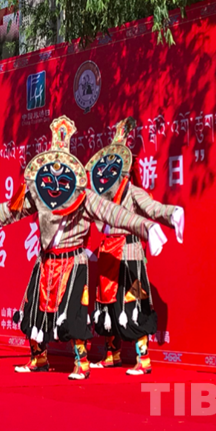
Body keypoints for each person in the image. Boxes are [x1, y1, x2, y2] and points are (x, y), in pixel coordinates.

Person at [0, 116, 168, 380]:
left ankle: (88, 361)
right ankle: (41, 357)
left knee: (119, 305)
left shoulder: (97, 195)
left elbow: (118, 214)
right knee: (36, 310)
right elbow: (8, 211)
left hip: (106, 257)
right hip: (53, 260)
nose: (55, 182)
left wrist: (148, 226)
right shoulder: (40, 194)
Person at [86, 117, 185, 375]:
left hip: (129, 252)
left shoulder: (132, 191)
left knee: (134, 302)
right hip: (108, 252)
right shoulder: (97, 196)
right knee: (107, 304)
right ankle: (113, 353)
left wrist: (172, 214)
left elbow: (153, 208)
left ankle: (144, 359)